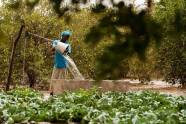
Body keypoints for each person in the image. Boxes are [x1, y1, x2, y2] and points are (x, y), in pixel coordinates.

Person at [50, 31, 72, 95]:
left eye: (68, 37)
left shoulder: (68, 45)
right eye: (66, 36)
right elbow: (52, 49)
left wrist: (65, 48)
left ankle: (62, 92)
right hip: (57, 64)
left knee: (63, 80)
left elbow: (68, 53)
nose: (67, 38)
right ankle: (52, 91)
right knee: (54, 79)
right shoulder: (56, 42)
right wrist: (57, 45)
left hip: (64, 65)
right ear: (62, 36)